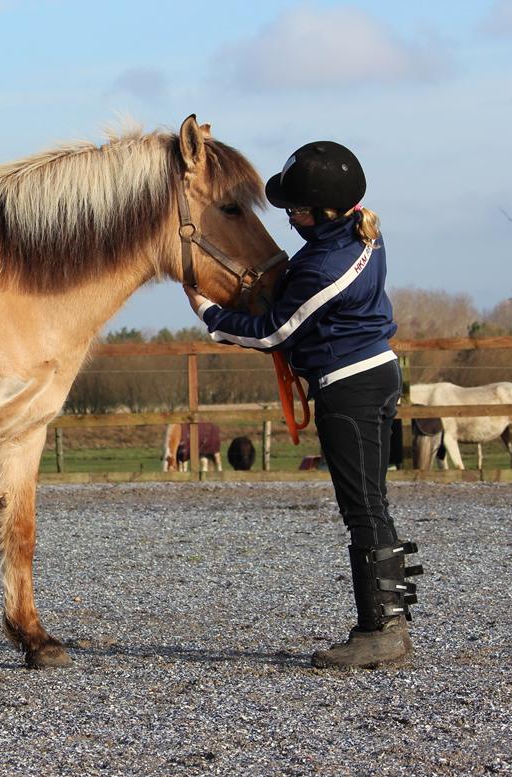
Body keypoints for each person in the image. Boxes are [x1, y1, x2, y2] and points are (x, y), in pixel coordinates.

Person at [184, 141, 422, 669]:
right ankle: (391, 622)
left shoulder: (327, 265)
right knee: (371, 501)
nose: (290, 217)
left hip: (349, 386)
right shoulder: (358, 237)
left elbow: (274, 332)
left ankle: (381, 630)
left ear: (325, 213)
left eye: (297, 210)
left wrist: (210, 315)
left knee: (362, 506)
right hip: (374, 373)